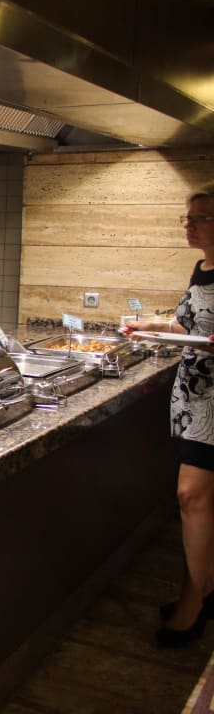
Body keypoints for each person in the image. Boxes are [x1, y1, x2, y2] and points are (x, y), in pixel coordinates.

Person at [122, 190, 214, 647]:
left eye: (201, 218)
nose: (189, 225)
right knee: (201, 505)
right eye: (188, 217)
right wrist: (151, 327)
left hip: (213, 403)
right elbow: (192, 327)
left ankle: (202, 600)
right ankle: (192, 598)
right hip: (193, 400)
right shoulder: (203, 267)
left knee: (191, 497)